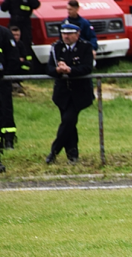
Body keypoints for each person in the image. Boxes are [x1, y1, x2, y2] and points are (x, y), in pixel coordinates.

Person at [45, 22, 94, 165]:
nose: (66, 37)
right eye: (64, 34)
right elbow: (48, 68)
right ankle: (72, 154)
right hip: (62, 93)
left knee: (68, 121)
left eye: (69, 34)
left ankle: (53, 152)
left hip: (79, 93)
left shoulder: (85, 47)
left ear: (77, 34)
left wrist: (70, 70)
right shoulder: (56, 47)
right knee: (69, 124)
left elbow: (87, 68)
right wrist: (58, 71)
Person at [0, 24, 19, 173]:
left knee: (5, 111)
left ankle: (8, 140)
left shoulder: (4, 33)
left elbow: (13, 57)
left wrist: (6, 74)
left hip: (2, 82)